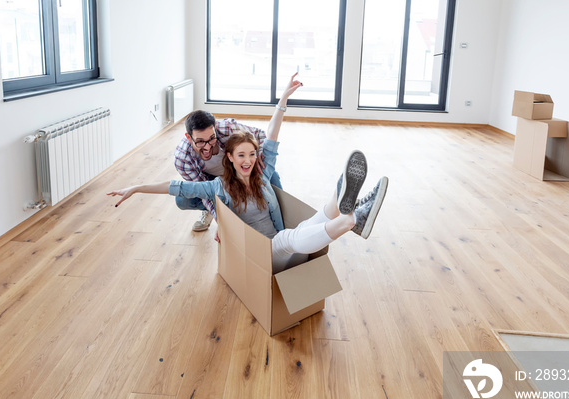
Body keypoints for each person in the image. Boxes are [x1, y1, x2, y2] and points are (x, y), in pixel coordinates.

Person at [108, 73, 388, 273]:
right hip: (262, 255)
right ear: (229, 158)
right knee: (290, 237)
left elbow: (272, 136)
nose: (249, 160)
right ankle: (351, 220)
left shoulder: (262, 177)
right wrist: (135, 188)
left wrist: (282, 101)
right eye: (242, 156)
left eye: (252, 155)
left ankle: (342, 201)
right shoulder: (217, 188)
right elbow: (175, 187)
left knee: (306, 224)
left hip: (287, 251)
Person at [174, 108, 283, 233]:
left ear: (215, 129)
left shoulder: (228, 128)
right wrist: (222, 222)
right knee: (182, 200)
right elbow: (203, 192)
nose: (208, 146)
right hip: (214, 180)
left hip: (243, 172)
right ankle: (220, 210)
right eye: (200, 142)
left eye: (211, 138)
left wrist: (257, 156)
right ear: (189, 137)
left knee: (272, 180)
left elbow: (261, 135)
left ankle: (271, 214)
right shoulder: (182, 158)